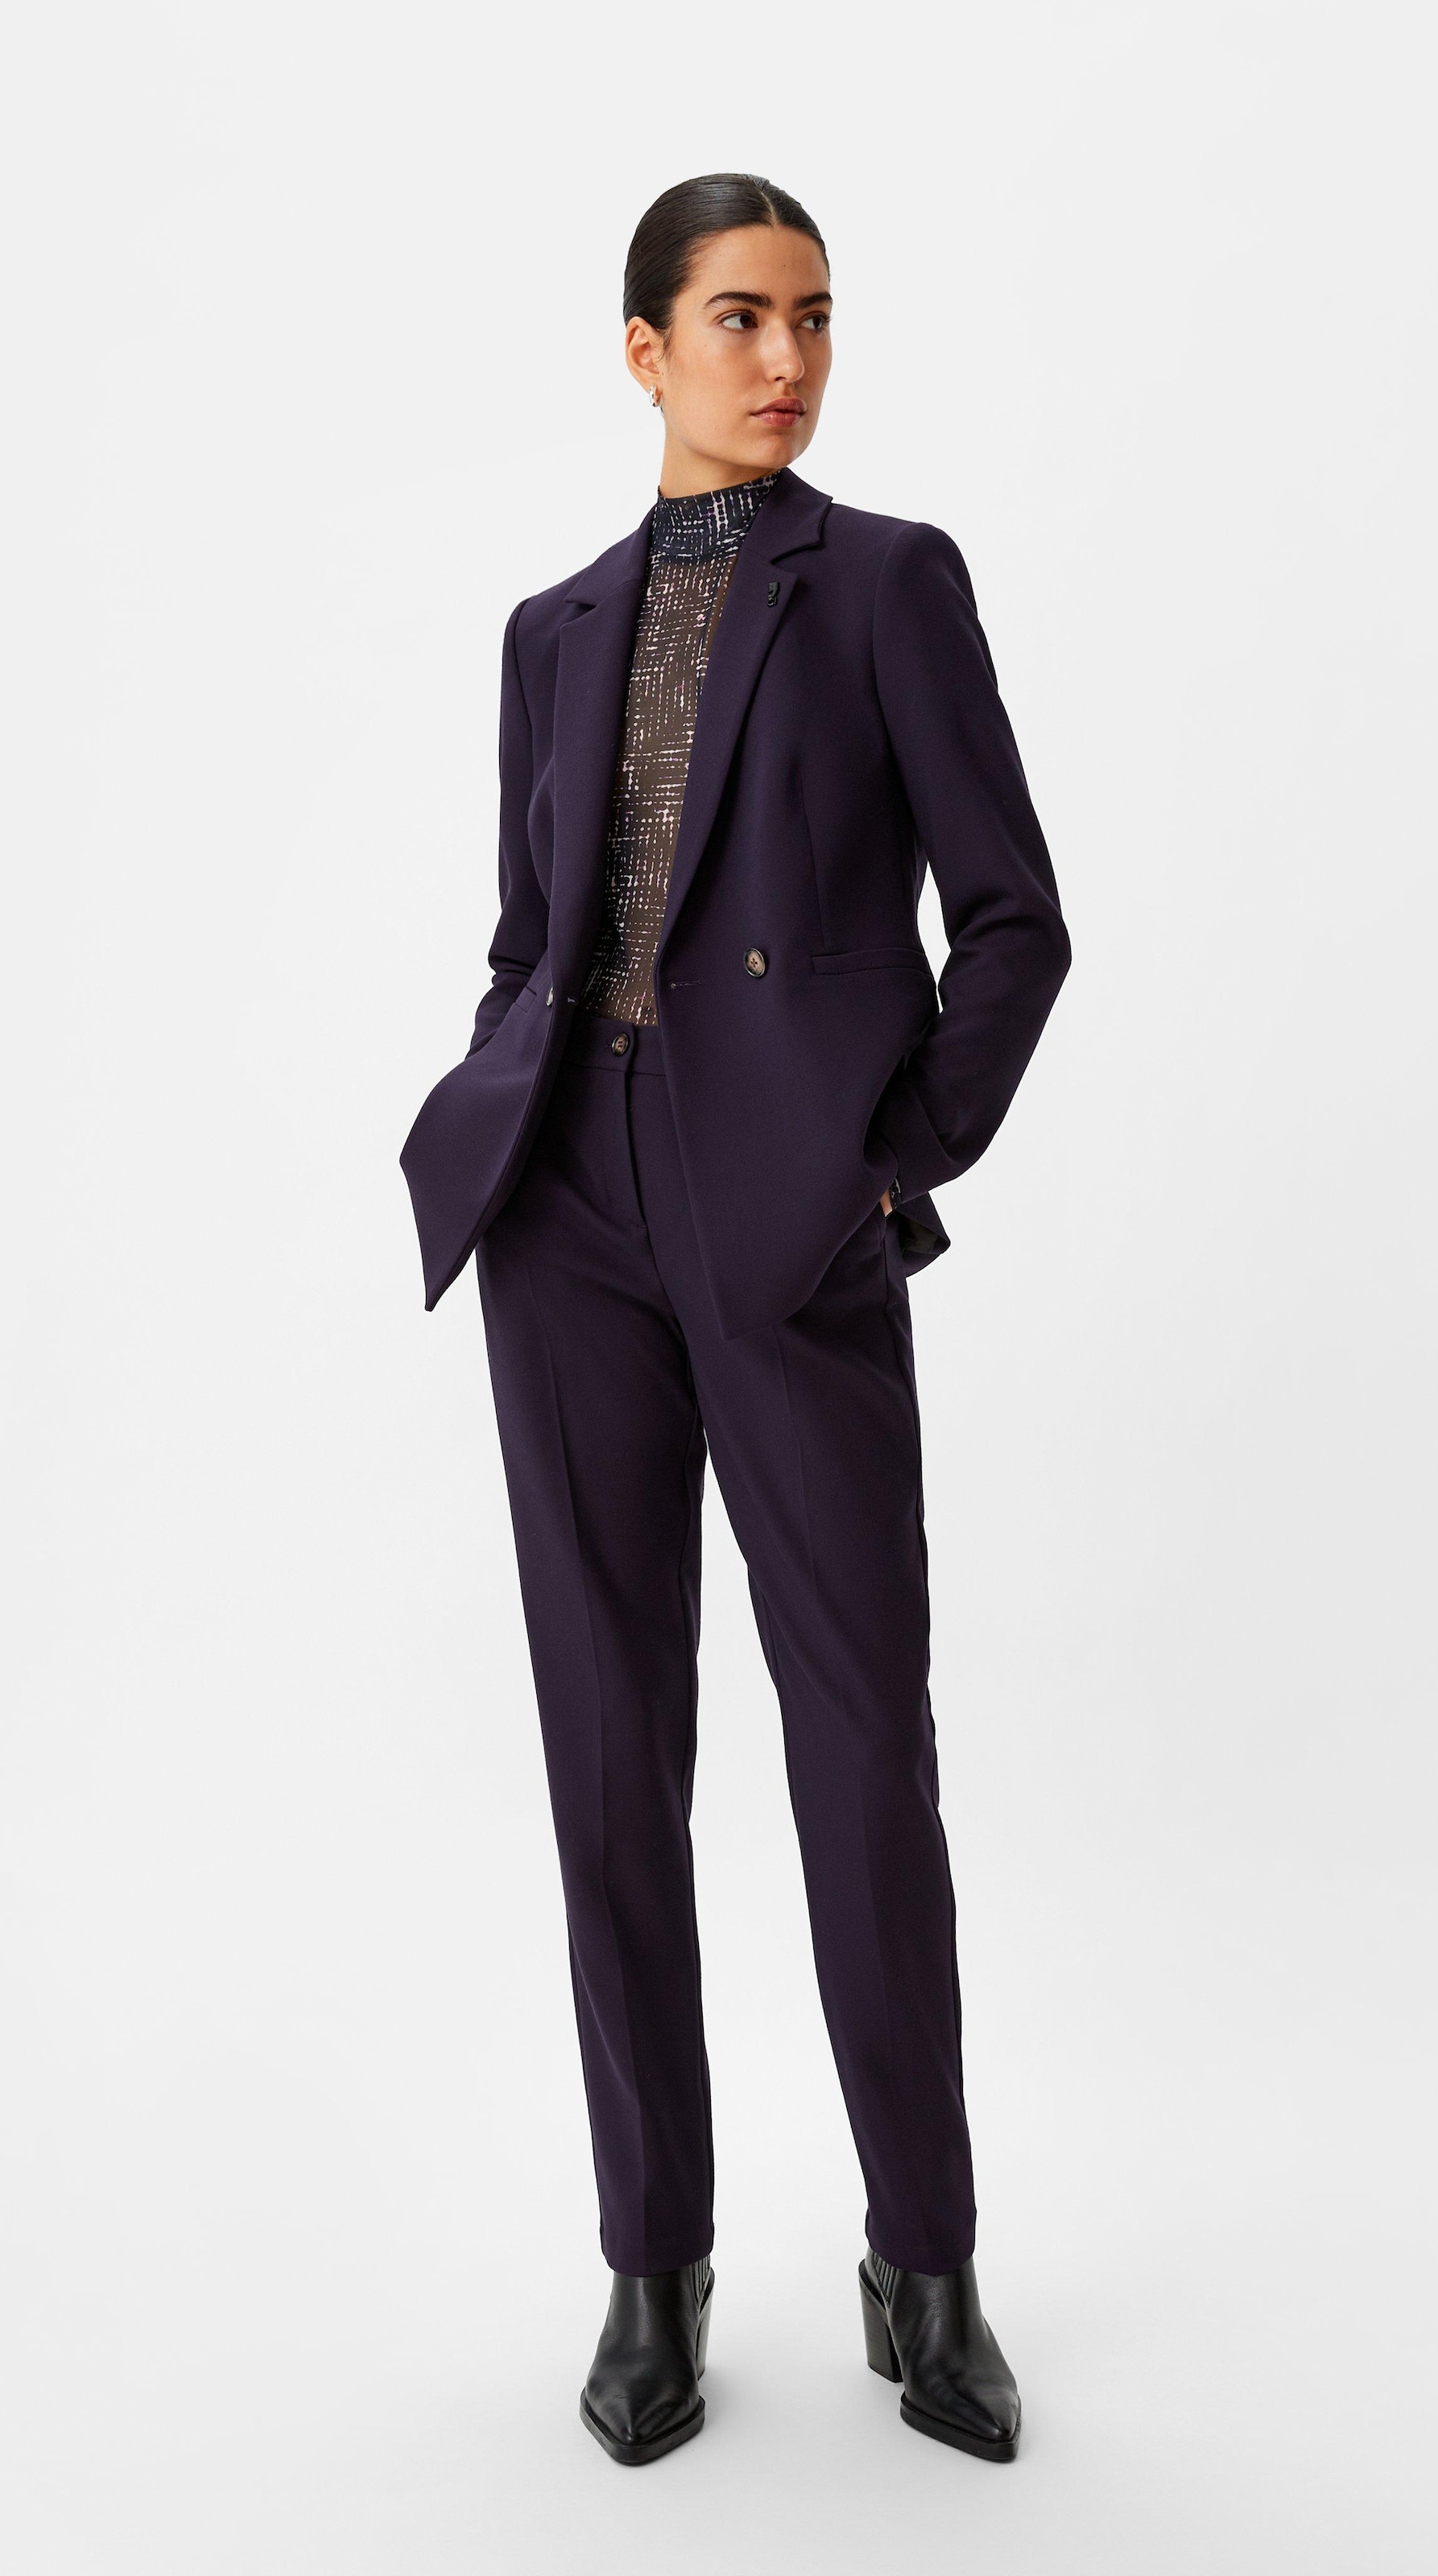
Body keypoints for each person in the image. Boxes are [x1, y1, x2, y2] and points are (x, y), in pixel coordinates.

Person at [400, 172, 1070, 2466]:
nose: (785, 360)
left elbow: (1013, 920)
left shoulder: (887, 581)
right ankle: (652, 2260)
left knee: (861, 1738)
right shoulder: (551, 628)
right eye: (739, 319)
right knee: (612, 1749)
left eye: (813, 318)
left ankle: (926, 2258)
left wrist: (888, 1166)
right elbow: (530, 934)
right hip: (566, 1211)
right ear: (644, 349)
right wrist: (500, 1107)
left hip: (792, 1216)